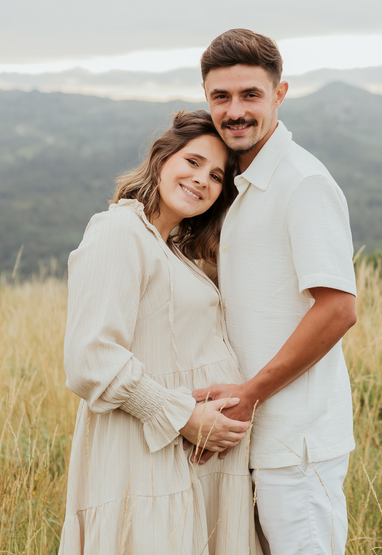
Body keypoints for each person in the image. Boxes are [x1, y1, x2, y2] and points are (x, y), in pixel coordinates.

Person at [58, 110, 261, 555]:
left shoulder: (171, 248)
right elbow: (90, 358)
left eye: (215, 176)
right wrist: (184, 418)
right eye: (192, 161)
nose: (202, 180)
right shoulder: (119, 231)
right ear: (161, 158)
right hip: (146, 456)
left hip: (186, 461)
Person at [194, 29, 359, 555]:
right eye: (221, 97)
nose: (235, 111)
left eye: (250, 95)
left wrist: (250, 393)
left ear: (279, 95)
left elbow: (338, 310)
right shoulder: (241, 183)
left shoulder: (302, 182)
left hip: (298, 444)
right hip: (256, 442)